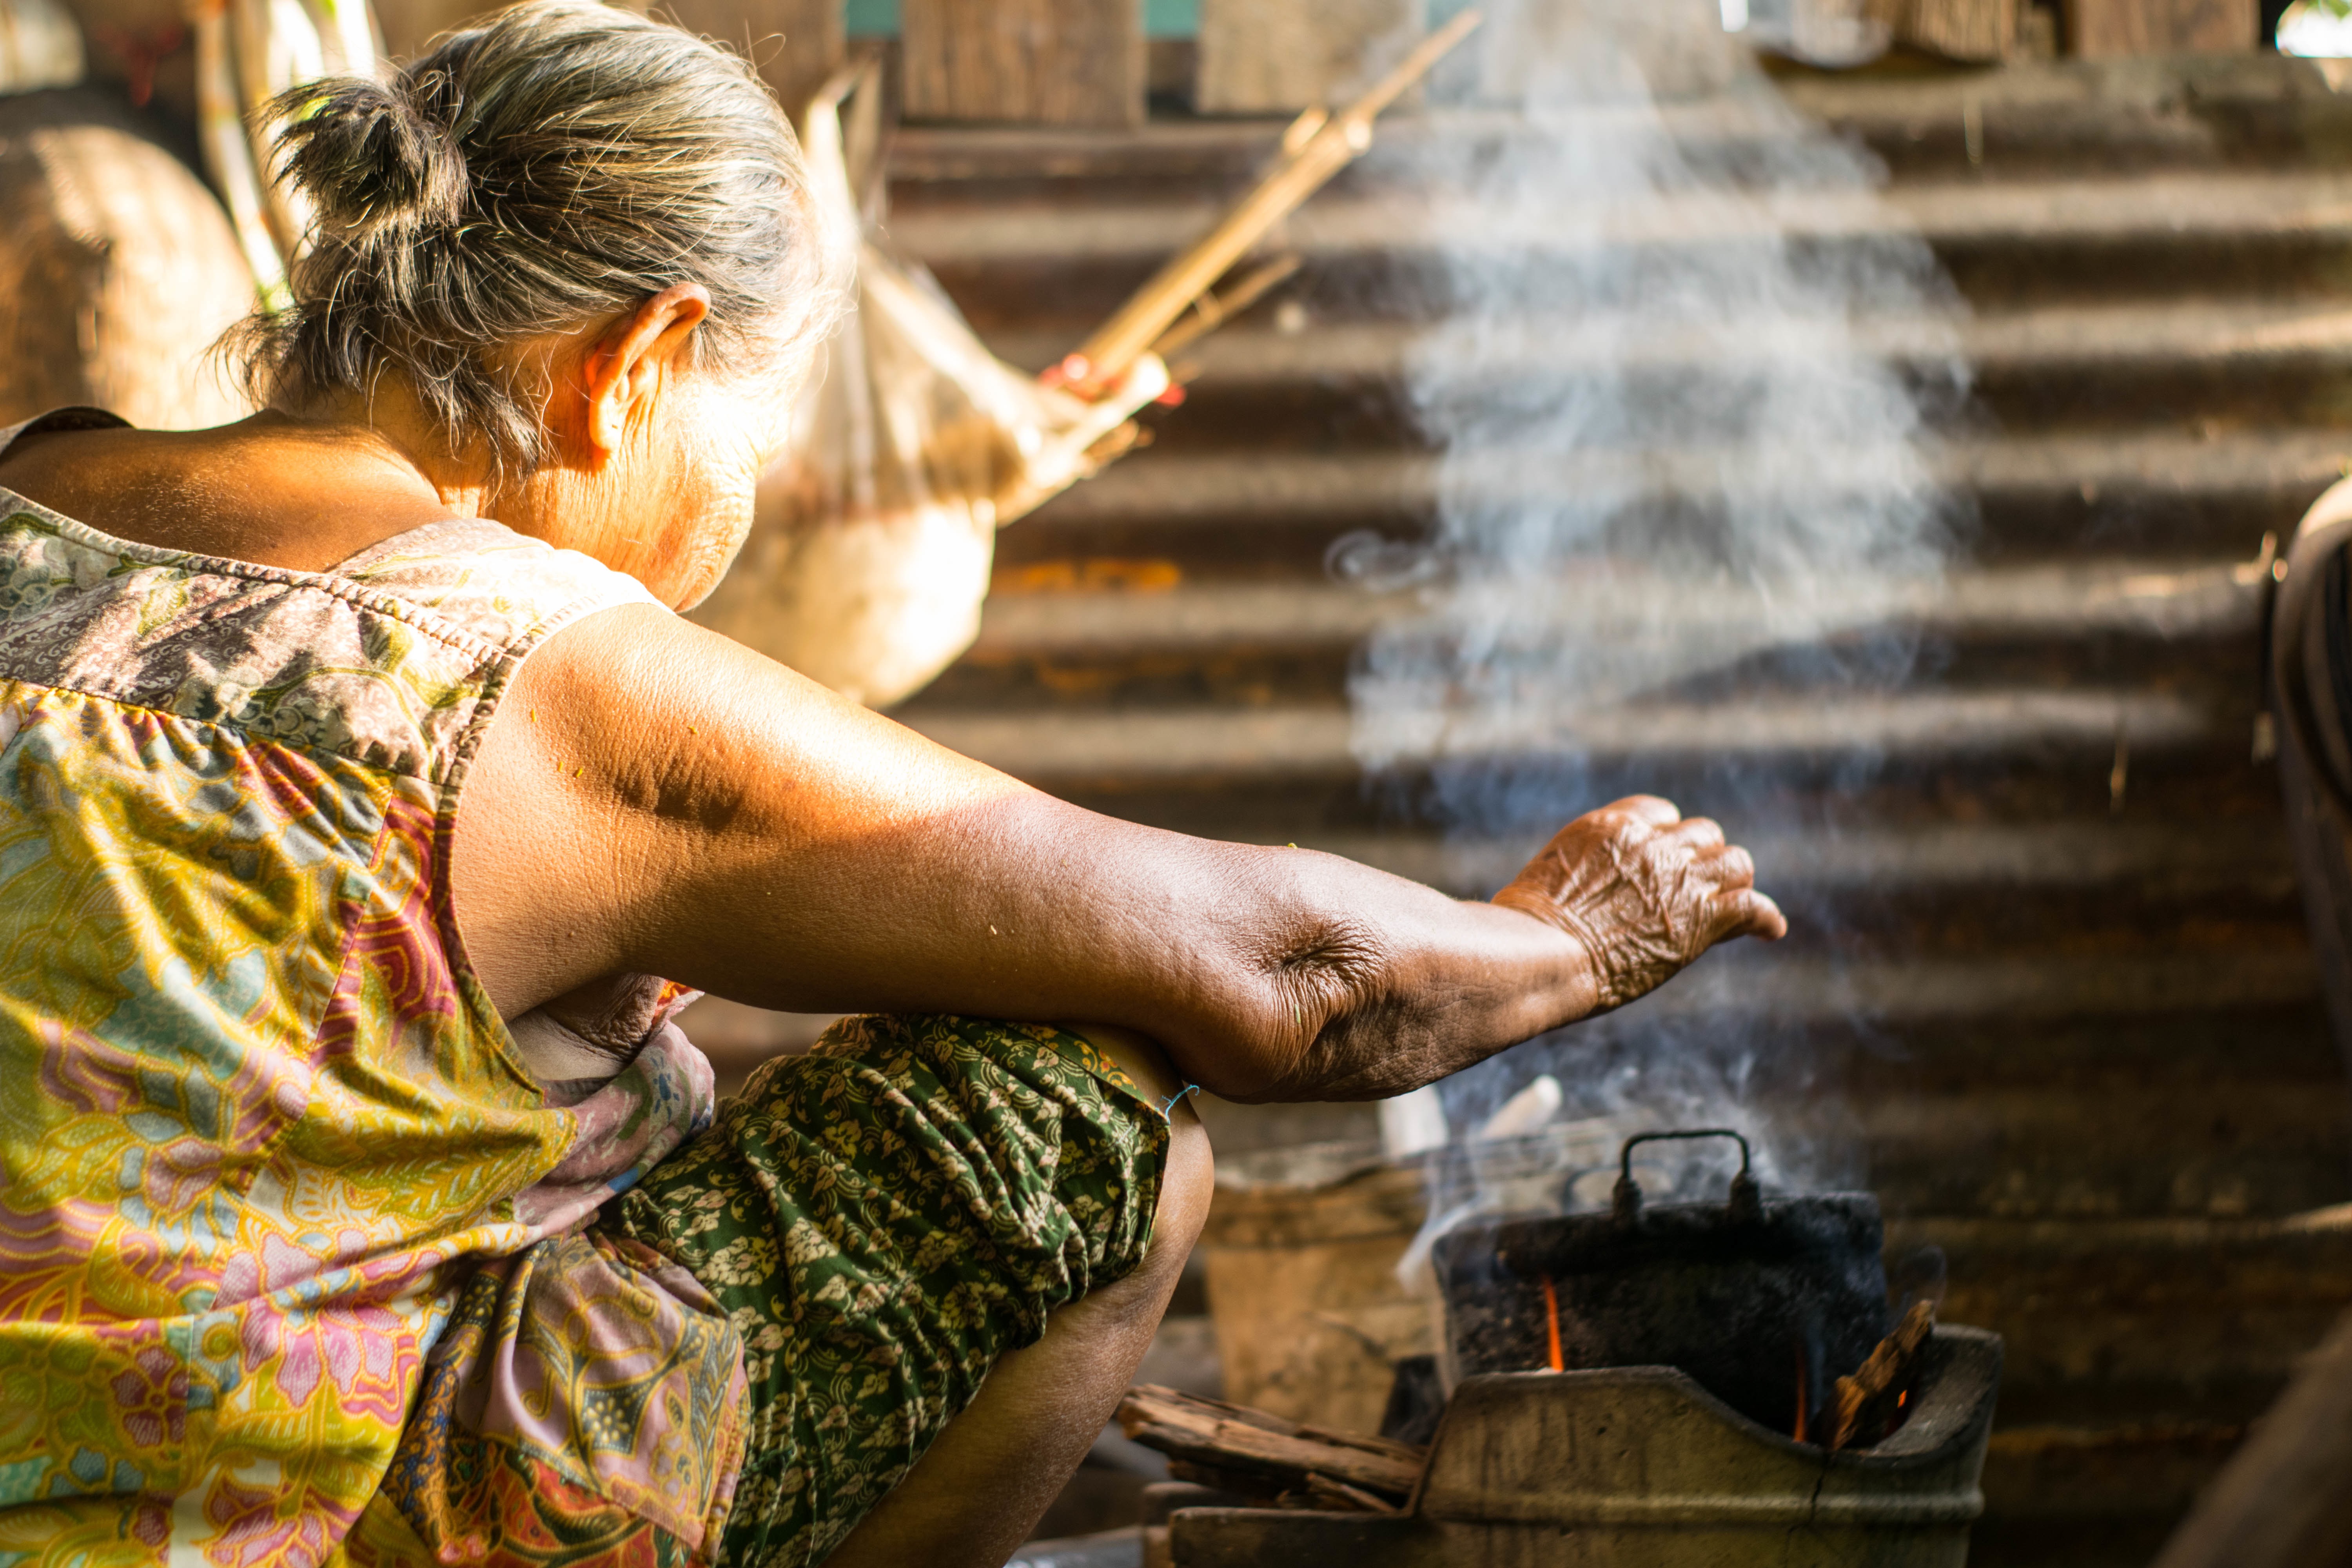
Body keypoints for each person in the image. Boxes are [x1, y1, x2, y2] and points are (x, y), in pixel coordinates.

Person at [0, 5, 1785, 1564]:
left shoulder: (38, 480)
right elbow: (1283, 974)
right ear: (633, 368)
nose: (742, 510)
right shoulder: (520, 676)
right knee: (1085, 1114)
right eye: (751, 439)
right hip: (229, 1521)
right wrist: (1567, 934)